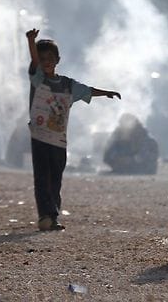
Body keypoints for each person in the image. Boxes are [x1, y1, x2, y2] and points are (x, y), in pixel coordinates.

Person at [25, 28, 121, 232]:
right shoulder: (38, 80)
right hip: (40, 136)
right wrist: (31, 41)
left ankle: (53, 214)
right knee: (42, 176)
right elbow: (33, 63)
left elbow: (87, 90)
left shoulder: (68, 85)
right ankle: (46, 215)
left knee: (56, 177)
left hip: (59, 139)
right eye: (42, 58)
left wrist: (107, 93)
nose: (46, 61)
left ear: (58, 60)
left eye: (50, 58)